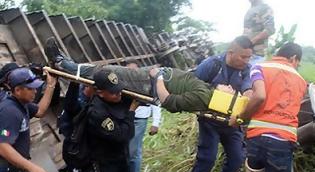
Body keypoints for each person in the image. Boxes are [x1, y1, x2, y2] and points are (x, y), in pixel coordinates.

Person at [219, 42, 307, 172]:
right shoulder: (301, 80)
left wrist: (241, 117)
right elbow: (260, 97)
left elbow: (258, 96)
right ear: (293, 58)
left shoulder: (260, 67)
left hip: (256, 138)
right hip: (282, 142)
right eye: (297, 62)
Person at [44, 37, 237, 113]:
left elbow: (169, 102)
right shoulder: (206, 91)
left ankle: (62, 63)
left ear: (224, 98)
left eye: (230, 91)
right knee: (106, 70)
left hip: (148, 82)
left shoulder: (203, 97)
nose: (230, 87)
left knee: (105, 72)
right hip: (148, 78)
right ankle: (66, 63)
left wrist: (158, 76)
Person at [179, 35, 253, 172]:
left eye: (249, 57)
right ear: (230, 53)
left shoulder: (246, 69)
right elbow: (190, 85)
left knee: (236, 158)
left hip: (232, 122)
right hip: (209, 121)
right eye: (243, 56)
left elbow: (248, 87)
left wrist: (250, 93)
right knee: (207, 160)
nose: (246, 60)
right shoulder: (212, 65)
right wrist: (213, 90)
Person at [62, 68, 138, 172]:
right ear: (100, 93)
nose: (118, 94)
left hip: (120, 156)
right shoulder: (96, 112)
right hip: (103, 161)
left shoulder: (117, 97)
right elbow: (123, 135)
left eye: (119, 89)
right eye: (113, 92)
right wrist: (131, 112)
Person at [0, 67, 58, 172]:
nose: (34, 91)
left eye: (35, 87)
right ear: (17, 90)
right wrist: (31, 167)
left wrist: (51, 85)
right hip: (8, 171)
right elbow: (2, 146)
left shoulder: (22, 104)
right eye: (30, 88)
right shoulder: (9, 111)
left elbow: (39, 111)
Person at [57, 82, 96, 172]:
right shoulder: (77, 101)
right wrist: (74, 82)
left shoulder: (93, 100)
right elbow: (70, 105)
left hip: (86, 150)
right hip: (75, 151)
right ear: (88, 87)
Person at [126, 60, 162, 172]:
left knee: (133, 151)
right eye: (128, 71)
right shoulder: (124, 83)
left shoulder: (146, 83)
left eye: (134, 70)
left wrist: (155, 123)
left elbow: (155, 102)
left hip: (139, 119)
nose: (131, 73)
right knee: (126, 151)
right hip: (125, 119)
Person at [244, 0, 275, 65]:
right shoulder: (249, 10)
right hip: (246, 55)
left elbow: (270, 29)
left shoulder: (264, 8)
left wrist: (251, 42)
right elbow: (246, 32)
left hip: (258, 55)